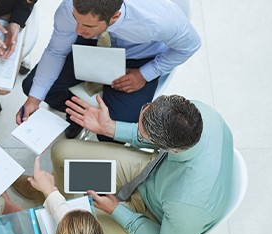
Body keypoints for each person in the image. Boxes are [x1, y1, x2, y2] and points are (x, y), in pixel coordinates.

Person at [15, 94, 233, 234]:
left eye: (144, 134)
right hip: (151, 171)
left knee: (68, 232)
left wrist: (117, 210)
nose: (139, 133)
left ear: (172, 148)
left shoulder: (186, 205)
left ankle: (53, 204)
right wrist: (109, 128)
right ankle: (54, 195)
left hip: (153, 217)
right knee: (62, 152)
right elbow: (153, 137)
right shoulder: (197, 115)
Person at [16, 0, 201, 140]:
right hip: (92, 44)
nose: (77, 29)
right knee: (33, 87)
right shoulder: (71, 9)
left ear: (115, 17)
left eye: (87, 25)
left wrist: (146, 73)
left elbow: (190, 45)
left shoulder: (159, 20)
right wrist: (33, 101)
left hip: (138, 60)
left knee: (113, 133)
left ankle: (94, 122)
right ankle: (77, 116)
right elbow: (56, 51)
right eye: (75, 20)